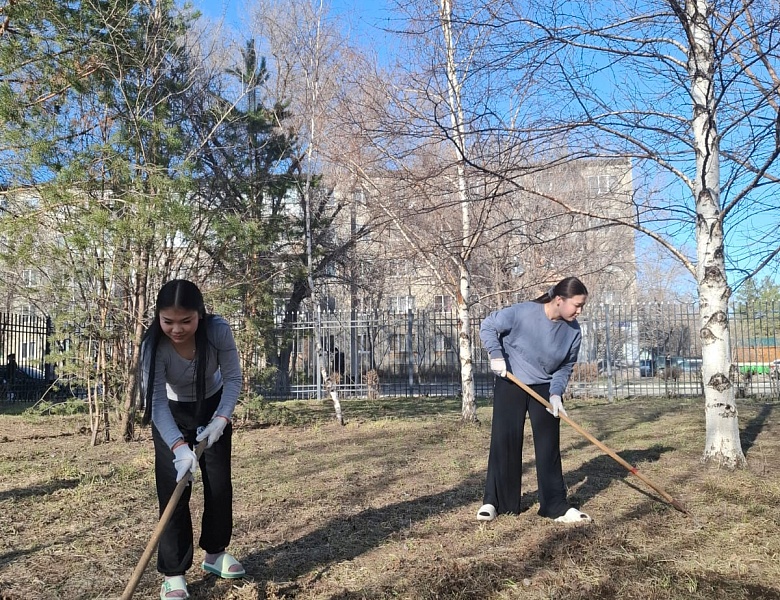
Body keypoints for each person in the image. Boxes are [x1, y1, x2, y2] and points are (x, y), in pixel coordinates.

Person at [140, 279, 245, 600]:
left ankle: (214, 554)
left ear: (199, 314)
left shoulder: (217, 331)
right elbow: (156, 402)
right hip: (170, 413)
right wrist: (177, 446)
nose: (176, 329)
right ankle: (173, 573)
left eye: (186, 321)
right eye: (167, 321)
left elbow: (232, 377)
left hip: (212, 406)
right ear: (158, 317)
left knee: (218, 484)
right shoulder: (153, 345)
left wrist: (221, 420)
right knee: (174, 490)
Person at [476, 276, 590, 524]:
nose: (579, 311)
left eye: (582, 306)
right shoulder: (523, 313)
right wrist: (496, 354)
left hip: (545, 387)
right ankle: (495, 502)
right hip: (512, 380)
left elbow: (566, 365)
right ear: (559, 300)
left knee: (549, 446)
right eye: (577, 305)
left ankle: (556, 506)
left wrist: (556, 392)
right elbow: (488, 326)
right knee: (504, 440)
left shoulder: (573, 331)